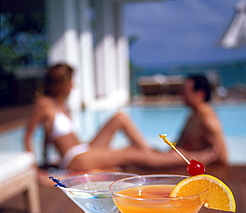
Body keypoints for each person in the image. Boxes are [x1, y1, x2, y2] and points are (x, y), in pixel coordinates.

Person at [25, 64, 217, 172]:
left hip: (82, 149)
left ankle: (154, 154)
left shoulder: (61, 104)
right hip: (75, 159)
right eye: (70, 82)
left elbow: (47, 136)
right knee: (130, 152)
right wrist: (36, 169)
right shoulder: (44, 104)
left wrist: (46, 159)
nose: (73, 86)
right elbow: (29, 136)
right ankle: (190, 160)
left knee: (120, 117)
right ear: (60, 83)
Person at [176, 74, 227, 165]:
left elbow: (221, 156)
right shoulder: (193, 116)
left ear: (200, 94)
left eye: (185, 91)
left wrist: (190, 156)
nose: (181, 94)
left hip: (201, 171)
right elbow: (178, 146)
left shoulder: (207, 119)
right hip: (185, 164)